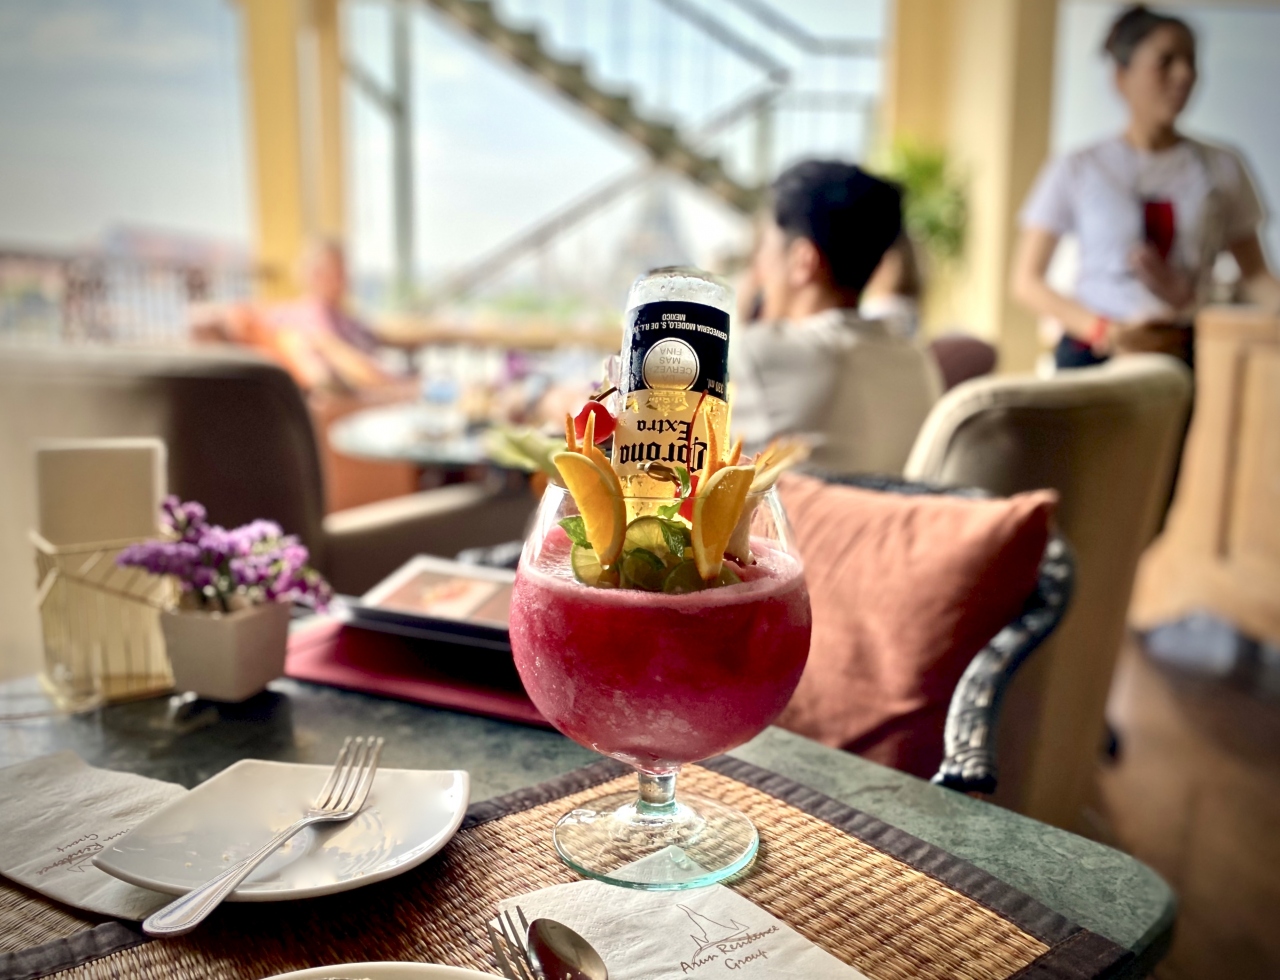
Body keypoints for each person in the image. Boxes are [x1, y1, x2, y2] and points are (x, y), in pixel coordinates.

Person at [1013, 4, 1280, 370]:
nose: (1183, 75)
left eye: (1191, 62)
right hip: (1094, 352)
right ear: (1121, 76)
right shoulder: (1079, 166)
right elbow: (1027, 280)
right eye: (1165, 61)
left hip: (1184, 352)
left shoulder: (1222, 165)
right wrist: (1104, 331)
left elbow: (1255, 275)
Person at [730, 160, 942, 475]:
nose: (757, 264)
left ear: (803, 261)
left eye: (763, 247)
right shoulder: (918, 362)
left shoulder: (758, 354)